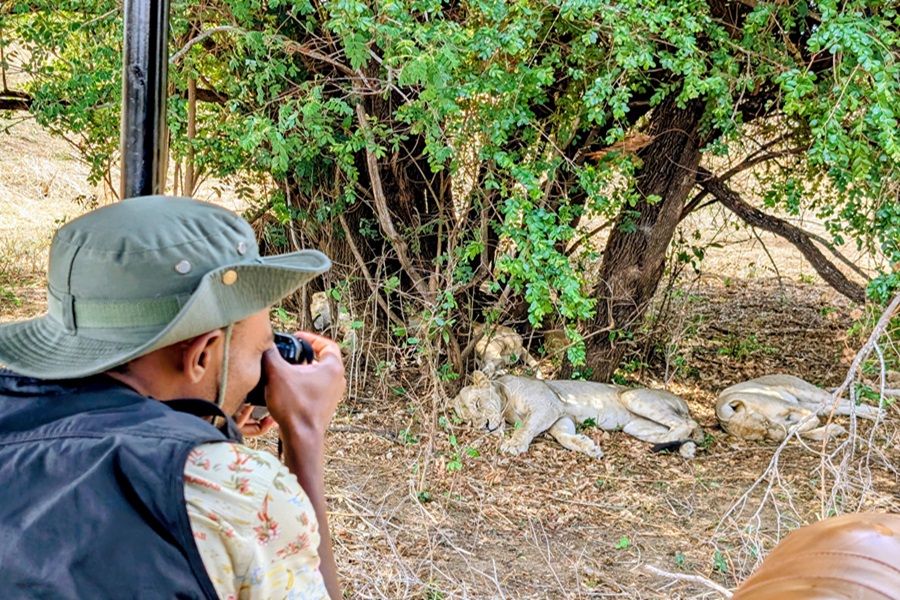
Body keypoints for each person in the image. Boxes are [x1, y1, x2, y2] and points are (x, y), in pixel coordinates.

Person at [0, 195, 345, 599]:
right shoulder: (234, 492)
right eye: (260, 352)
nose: (263, 370)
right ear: (200, 355)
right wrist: (303, 432)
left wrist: (195, 427)